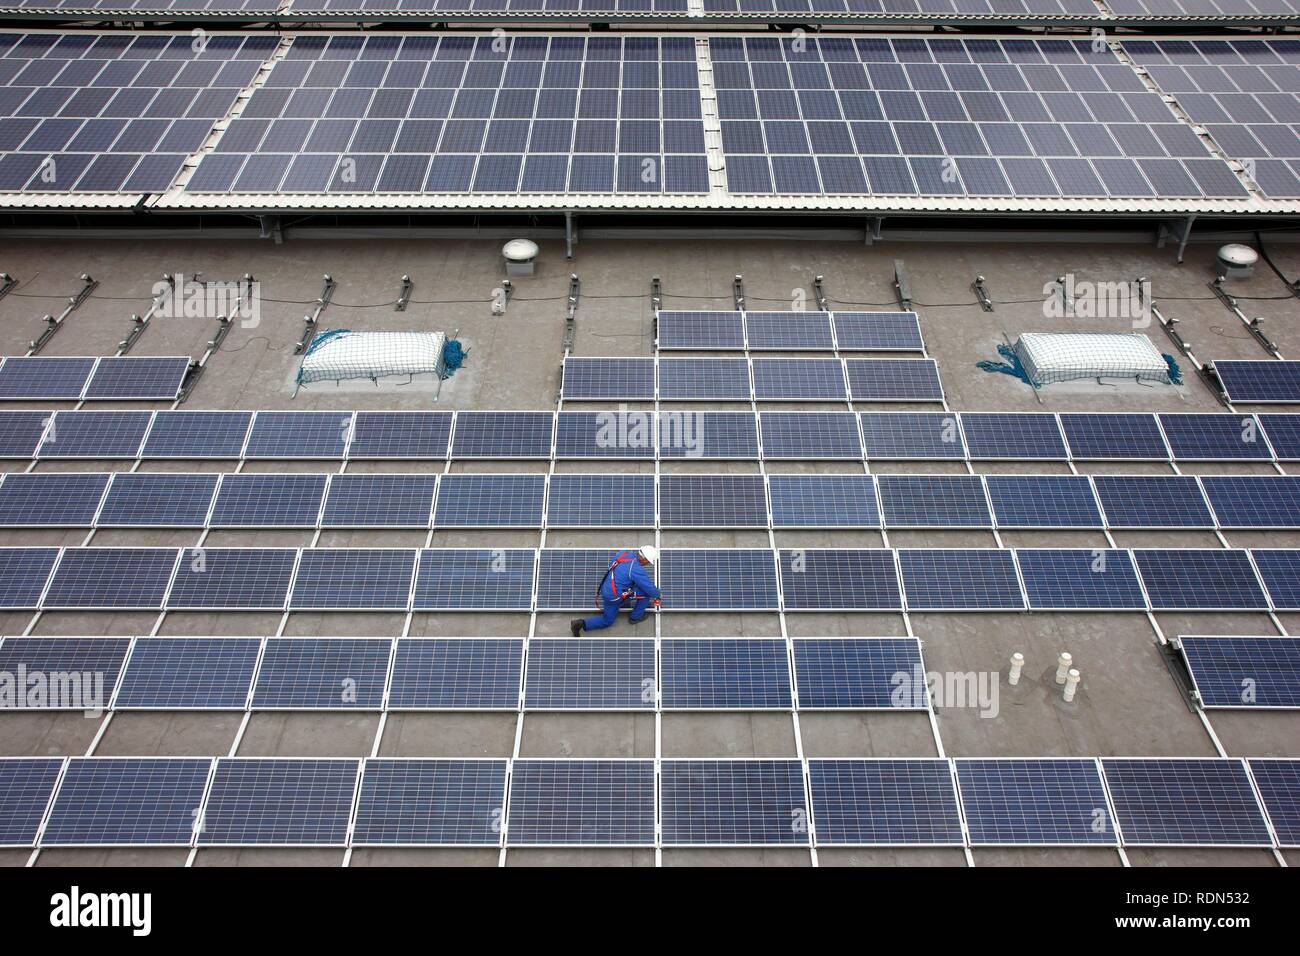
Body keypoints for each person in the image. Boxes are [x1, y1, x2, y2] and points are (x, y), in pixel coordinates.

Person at [570, 545, 661, 635]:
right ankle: (635, 617)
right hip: (614, 596)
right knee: (646, 593)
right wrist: (658, 595)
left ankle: (580, 623)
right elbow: (649, 587)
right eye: (648, 562)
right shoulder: (636, 569)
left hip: (606, 588)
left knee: (636, 584)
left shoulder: (624, 553)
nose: (648, 564)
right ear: (644, 559)